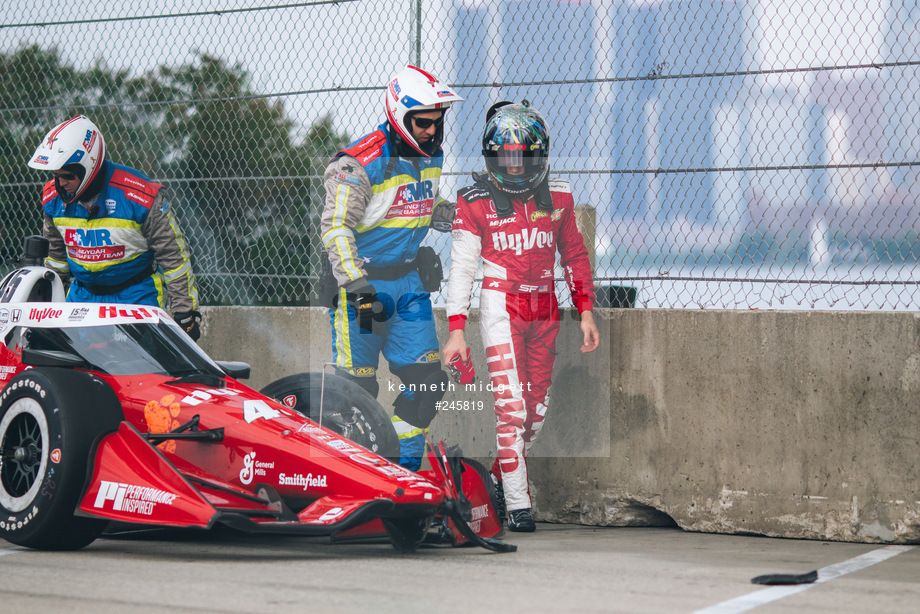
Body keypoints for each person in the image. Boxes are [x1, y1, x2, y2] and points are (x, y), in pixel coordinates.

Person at [441, 101, 600, 532]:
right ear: (491, 157)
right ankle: (518, 504)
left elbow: (576, 256)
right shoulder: (472, 202)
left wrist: (585, 309)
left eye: (523, 158)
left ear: (540, 155)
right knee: (510, 409)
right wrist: (457, 331)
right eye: (505, 159)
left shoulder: (561, 197)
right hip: (500, 306)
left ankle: (495, 478)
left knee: (536, 412)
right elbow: (461, 270)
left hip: (546, 307)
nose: (514, 168)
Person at [320, 65, 463, 471]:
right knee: (357, 392)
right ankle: (356, 477)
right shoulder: (358, 165)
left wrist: (464, 213)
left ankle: (404, 472)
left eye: (438, 123)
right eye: (423, 124)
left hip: (408, 286)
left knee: (429, 384)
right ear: (400, 116)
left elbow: (421, 204)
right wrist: (358, 287)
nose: (432, 133)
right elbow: (335, 229)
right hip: (361, 291)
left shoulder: (430, 154)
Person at [26, 115, 203, 340]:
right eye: (56, 176)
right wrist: (47, 311)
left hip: (136, 296)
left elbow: (174, 259)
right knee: (75, 370)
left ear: (89, 167)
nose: (61, 184)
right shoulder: (53, 199)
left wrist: (185, 313)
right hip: (82, 297)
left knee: (139, 371)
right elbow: (56, 261)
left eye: (68, 176)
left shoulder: (142, 197)